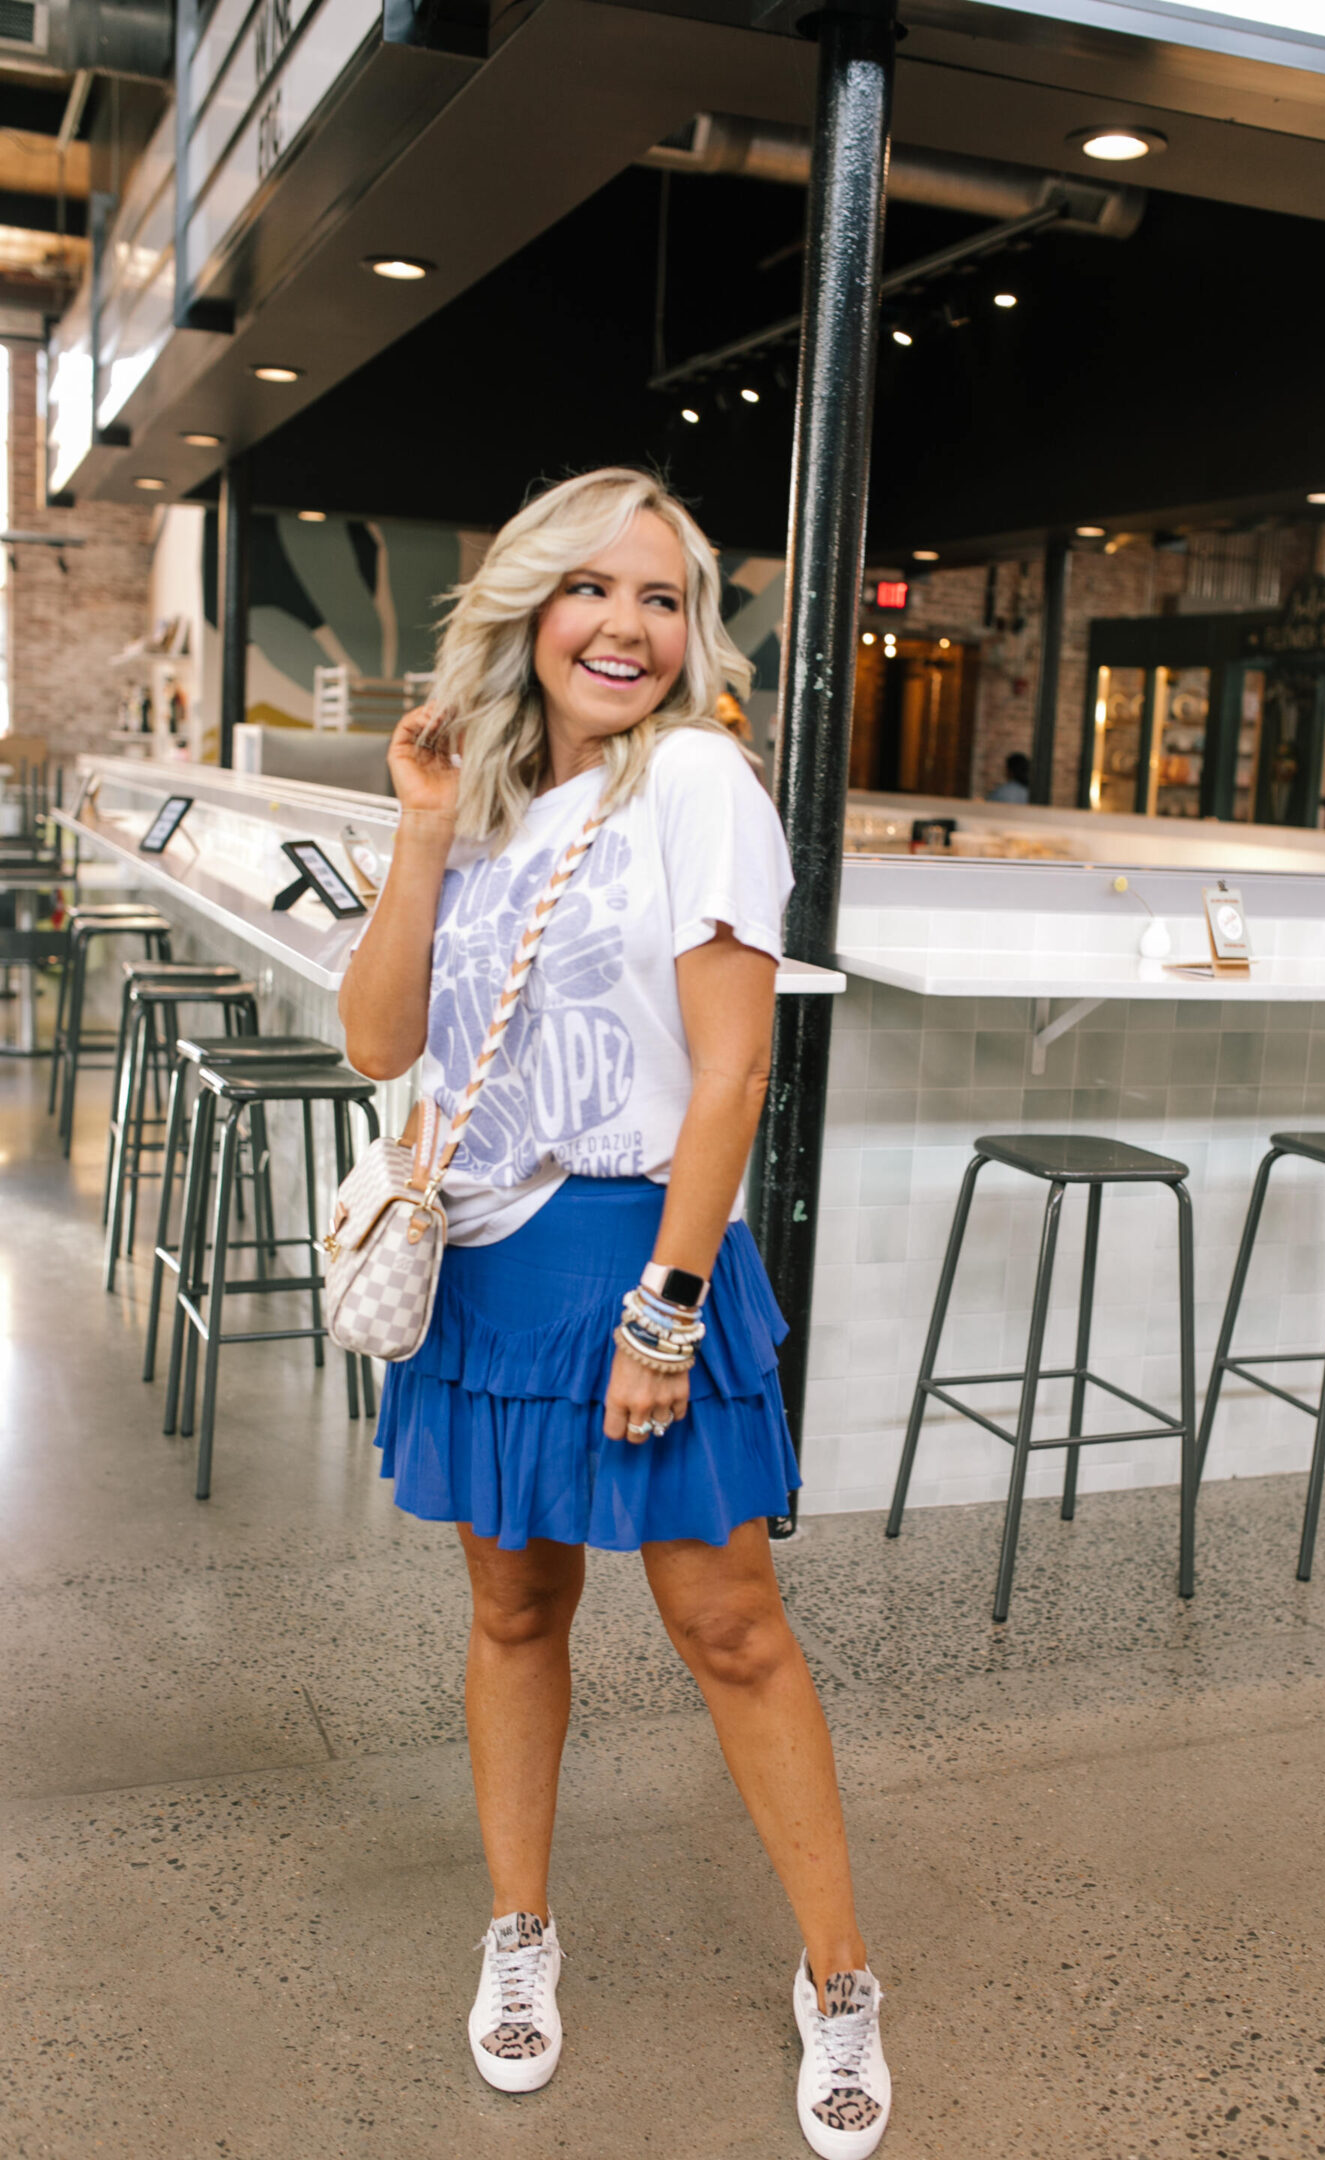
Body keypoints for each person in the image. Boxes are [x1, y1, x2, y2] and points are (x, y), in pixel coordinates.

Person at [338, 468, 891, 2159]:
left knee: (729, 1623)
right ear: (529, 608)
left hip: (638, 1249)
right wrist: (423, 830)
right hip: (485, 1263)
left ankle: (841, 1975)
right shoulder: (490, 796)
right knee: (513, 1612)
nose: (627, 629)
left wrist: (671, 1308)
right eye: (592, 591)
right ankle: (522, 1931)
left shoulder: (702, 782)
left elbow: (734, 1071)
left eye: (662, 599)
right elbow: (380, 1041)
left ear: (689, 631)